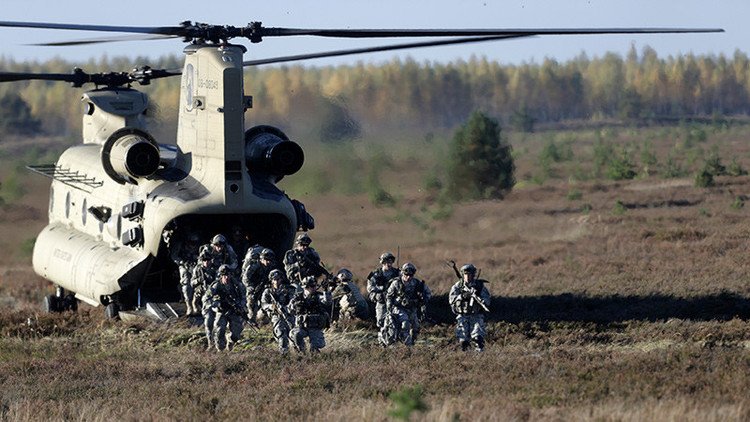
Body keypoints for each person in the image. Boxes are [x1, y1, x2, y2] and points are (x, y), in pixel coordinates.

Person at [382, 262, 432, 347]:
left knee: (416, 326)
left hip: (412, 308)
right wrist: (389, 309)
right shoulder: (396, 283)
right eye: (406, 275)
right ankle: (407, 346)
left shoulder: (417, 283)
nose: (408, 277)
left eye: (411, 275)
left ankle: (412, 341)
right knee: (405, 324)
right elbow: (389, 296)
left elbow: (428, 293)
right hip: (399, 308)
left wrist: (423, 300)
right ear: (403, 273)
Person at [449, 264, 491, 352]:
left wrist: (482, 301)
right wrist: (462, 297)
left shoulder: (479, 286)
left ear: (473, 275)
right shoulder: (458, 286)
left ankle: (480, 356)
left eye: (470, 274)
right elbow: (451, 300)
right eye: (466, 274)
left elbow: (487, 299)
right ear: (463, 274)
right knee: (463, 341)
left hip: (476, 315)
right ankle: (466, 359)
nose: (468, 276)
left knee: (478, 338)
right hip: (463, 315)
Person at [206, 264, 247, 351]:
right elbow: (206, 299)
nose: (227, 277)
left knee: (237, 332)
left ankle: (230, 340)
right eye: (224, 275)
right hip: (222, 311)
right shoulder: (216, 286)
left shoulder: (237, 285)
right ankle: (221, 350)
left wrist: (240, 306)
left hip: (233, 311)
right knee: (219, 330)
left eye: (228, 275)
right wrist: (217, 305)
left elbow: (243, 297)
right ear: (221, 276)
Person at [289, 276, 331, 353]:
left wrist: (326, 290)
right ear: (306, 287)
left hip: (315, 327)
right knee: (296, 335)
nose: (315, 288)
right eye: (312, 286)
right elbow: (290, 309)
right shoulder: (298, 297)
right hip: (302, 327)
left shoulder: (318, 296)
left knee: (316, 347)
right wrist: (296, 306)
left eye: (315, 286)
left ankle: (315, 356)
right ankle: (302, 351)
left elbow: (327, 302)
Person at [260, 269, 295, 354]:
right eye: (274, 280)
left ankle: (299, 355)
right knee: (281, 335)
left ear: (281, 279)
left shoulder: (288, 289)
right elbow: (263, 304)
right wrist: (271, 306)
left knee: (293, 335)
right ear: (271, 280)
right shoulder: (268, 291)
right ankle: (284, 354)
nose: (276, 282)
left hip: (289, 315)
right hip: (276, 316)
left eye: (278, 279)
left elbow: (293, 302)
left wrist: (285, 308)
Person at [243, 248, 282, 322]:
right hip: (252, 286)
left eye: (269, 260)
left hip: (263, 285)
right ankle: (250, 317)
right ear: (262, 259)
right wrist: (250, 287)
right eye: (266, 260)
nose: (268, 262)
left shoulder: (271, 266)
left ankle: (261, 318)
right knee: (251, 300)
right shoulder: (254, 265)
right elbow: (245, 278)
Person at [367, 252, 400, 329]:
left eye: (390, 262)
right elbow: (370, 288)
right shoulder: (376, 274)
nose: (388, 264)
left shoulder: (397, 273)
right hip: (381, 301)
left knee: (396, 322)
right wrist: (381, 289)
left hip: (394, 302)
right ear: (382, 262)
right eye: (386, 262)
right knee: (381, 323)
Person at [170, 232, 200, 315]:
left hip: (195, 266)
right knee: (186, 284)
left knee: (198, 284)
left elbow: (203, 256)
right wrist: (181, 261)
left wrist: (198, 259)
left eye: (195, 242)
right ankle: (189, 305)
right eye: (191, 242)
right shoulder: (181, 245)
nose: (193, 244)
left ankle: (195, 303)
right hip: (184, 266)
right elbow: (174, 256)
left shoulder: (199, 247)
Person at [191, 248, 215, 317]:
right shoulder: (197, 269)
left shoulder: (214, 269)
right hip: (201, 289)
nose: (206, 262)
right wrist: (199, 280)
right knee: (195, 302)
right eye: (204, 260)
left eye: (208, 260)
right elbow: (192, 283)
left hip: (211, 289)